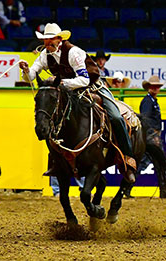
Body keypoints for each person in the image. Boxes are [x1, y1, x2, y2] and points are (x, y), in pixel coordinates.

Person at [19, 22, 136, 183]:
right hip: (68, 92)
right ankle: (56, 162)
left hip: (93, 87)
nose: (47, 43)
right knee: (52, 118)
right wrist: (25, 70)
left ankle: (127, 161)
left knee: (116, 117)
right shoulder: (45, 54)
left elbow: (84, 79)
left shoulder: (74, 52)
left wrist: (62, 84)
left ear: (59, 39)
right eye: (45, 40)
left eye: (50, 39)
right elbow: (30, 77)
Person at [125, 75, 164, 198]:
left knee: (154, 163)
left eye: (157, 87)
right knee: (148, 163)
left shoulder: (151, 101)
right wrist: (152, 135)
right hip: (150, 137)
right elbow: (146, 119)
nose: (156, 89)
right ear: (149, 88)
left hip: (151, 136)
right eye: (154, 86)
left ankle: (126, 189)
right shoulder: (148, 101)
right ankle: (126, 188)